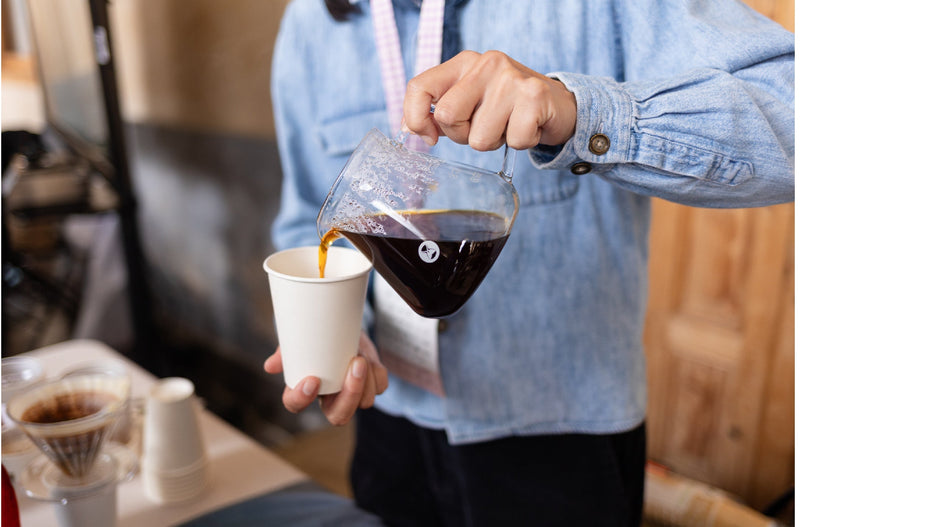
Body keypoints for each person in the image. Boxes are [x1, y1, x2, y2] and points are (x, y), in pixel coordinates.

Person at [264, 0, 794, 525]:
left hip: (563, 434)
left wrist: (577, 112)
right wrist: (338, 328)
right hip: (390, 423)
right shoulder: (312, 21)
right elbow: (310, 213)